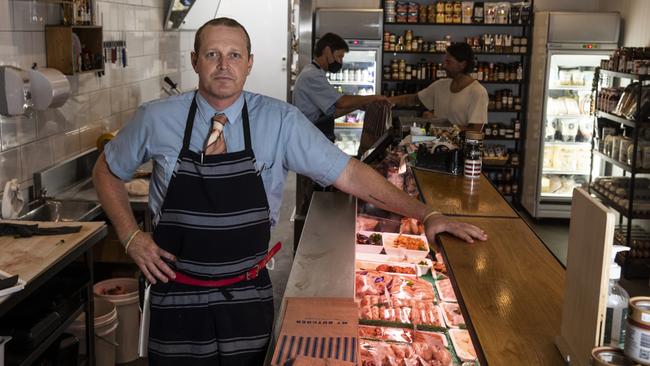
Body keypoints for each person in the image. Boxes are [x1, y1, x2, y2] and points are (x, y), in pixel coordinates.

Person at [93, 18, 487, 366]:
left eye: (234, 54)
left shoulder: (279, 120)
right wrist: (130, 236)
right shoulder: (156, 118)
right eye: (212, 54)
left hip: (246, 297)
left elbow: (350, 174)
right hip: (176, 294)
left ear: (249, 63)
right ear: (195, 61)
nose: (224, 64)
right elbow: (107, 170)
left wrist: (427, 214)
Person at [292, 32, 389, 141]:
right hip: (308, 137)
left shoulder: (315, 72)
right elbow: (341, 102)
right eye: (339, 56)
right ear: (327, 51)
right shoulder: (312, 75)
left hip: (312, 135)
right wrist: (374, 97)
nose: (340, 61)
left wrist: (358, 105)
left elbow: (331, 112)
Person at [389, 42, 488, 132]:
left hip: (459, 150)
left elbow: (475, 131)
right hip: (435, 146)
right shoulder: (441, 85)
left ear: (462, 64)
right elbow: (413, 99)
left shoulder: (478, 92)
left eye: (448, 62)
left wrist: (438, 123)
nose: (443, 65)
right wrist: (388, 101)